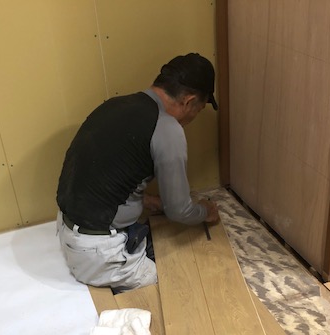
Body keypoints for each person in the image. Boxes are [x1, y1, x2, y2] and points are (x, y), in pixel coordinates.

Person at [56, 52, 219, 293]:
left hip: (69, 231)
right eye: (200, 108)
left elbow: (104, 177)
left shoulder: (115, 105)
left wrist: (150, 201)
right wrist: (205, 211)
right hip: (97, 253)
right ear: (189, 101)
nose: (195, 116)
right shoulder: (167, 128)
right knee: (182, 281)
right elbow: (179, 211)